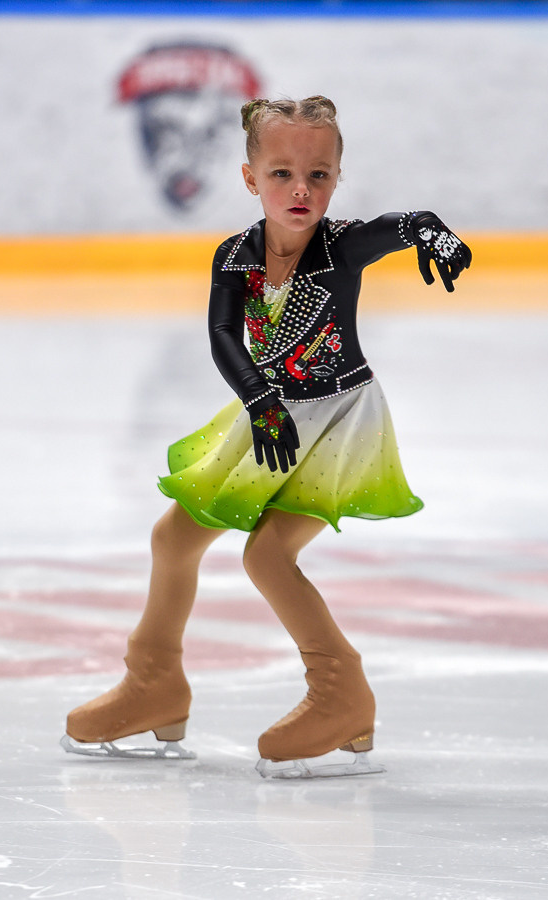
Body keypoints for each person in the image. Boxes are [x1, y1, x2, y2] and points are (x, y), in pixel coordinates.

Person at [62, 96, 471, 778]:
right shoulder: (235, 256)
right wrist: (257, 398)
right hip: (270, 413)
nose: (301, 189)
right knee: (173, 538)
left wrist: (426, 228)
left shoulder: (340, 247)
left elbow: (391, 228)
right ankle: (154, 684)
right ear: (250, 178)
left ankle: (341, 693)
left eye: (318, 174)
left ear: (337, 177)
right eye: (281, 173)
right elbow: (223, 335)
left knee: (267, 557)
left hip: (339, 420)